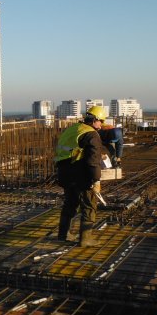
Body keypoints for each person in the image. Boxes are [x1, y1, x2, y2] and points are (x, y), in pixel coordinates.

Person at [54, 105, 105, 247]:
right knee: (89, 205)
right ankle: (85, 239)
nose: (101, 125)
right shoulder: (91, 134)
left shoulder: (72, 129)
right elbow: (93, 161)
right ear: (94, 120)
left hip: (65, 173)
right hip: (80, 175)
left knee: (70, 203)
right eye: (101, 121)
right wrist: (96, 180)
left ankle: (63, 235)